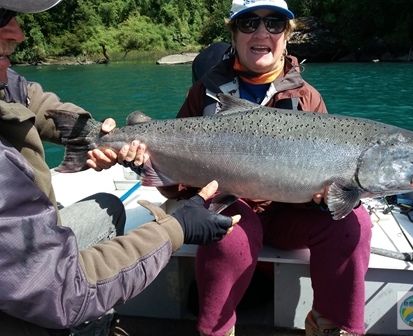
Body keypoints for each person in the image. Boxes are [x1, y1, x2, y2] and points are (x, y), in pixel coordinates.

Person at [0, 1, 239, 335]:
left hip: (24, 257)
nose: (18, 33)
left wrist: (99, 135)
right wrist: (177, 228)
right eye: (2, 17)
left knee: (109, 207)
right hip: (45, 289)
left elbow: (27, 96)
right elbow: (61, 293)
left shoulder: (2, 78)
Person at [157, 1, 373, 335]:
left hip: (288, 216)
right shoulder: (204, 92)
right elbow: (174, 183)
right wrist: (152, 166)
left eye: (274, 24)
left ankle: (332, 326)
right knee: (223, 227)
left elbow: (328, 185)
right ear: (233, 34)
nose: (261, 32)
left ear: (286, 36)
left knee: (353, 221)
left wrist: (323, 197)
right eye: (248, 23)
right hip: (230, 205)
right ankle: (216, 331)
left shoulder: (307, 98)